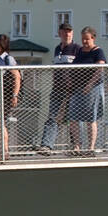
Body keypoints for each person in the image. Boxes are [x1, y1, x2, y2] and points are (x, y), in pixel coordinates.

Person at [39, 22, 81, 153]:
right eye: (65, 32)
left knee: (74, 119)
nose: (67, 34)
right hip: (57, 89)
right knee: (53, 116)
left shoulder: (77, 49)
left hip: (72, 91)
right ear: (60, 33)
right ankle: (46, 145)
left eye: (69, 31)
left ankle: (77, 146)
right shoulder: (58, 49)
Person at [68, 27, 106, 154]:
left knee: (90, 118)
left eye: (87, 39)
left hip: (92, 89)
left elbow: (99, 69)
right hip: (77, 88)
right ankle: (77, 146)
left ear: (93, 38)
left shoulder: (98, 52)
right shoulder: (79, 51)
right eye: (83, 39)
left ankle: (91, 147)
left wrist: (90, 84)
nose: (84, 41)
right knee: (73, 117)